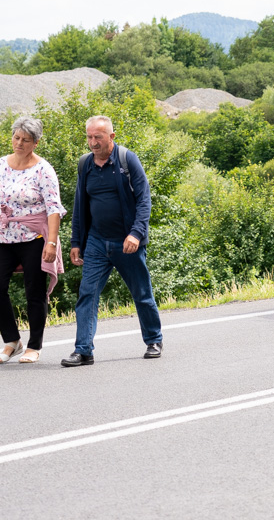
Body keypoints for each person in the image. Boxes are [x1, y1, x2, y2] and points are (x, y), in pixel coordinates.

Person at [61, 115, 163, 367]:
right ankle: (83, 350)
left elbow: (144, 200)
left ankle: (154, 339)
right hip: (96, 241)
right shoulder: (85, 164)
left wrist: (136, 234)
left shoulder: (128, 160)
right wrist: (76, 242)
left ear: (112, 137)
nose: (93, 142)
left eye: (98, 137)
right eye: (89, 137)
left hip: (126, 241)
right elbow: (79, 206)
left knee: (141, 293)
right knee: (87, 294)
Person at [0, 117, 66, 364]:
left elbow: (53, 208)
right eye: (16, 137)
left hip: (33, 237)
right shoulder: (0, 164)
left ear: (35, 142)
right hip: (2, 236)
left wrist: (52, 243)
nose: (19, 143)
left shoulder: (43, 170)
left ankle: (34, 346)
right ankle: (12, 341)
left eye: (25, 140)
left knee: (34, 291)